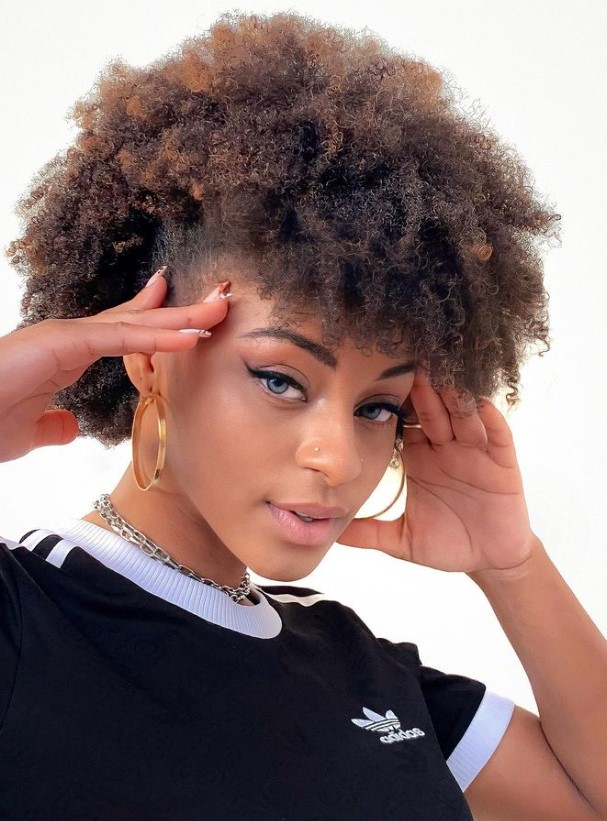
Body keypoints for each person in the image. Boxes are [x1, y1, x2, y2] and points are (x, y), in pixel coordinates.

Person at [0, 12, 605, 820]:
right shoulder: (25, 616)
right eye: (281, 380)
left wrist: (512, 564)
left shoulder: (365, 671)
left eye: (377, 405)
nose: (338, 458)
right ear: (148, 355)